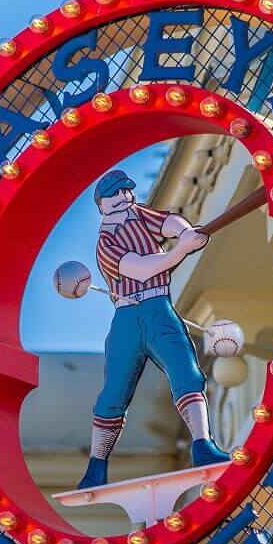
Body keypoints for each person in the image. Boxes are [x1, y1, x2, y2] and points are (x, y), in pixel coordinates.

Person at [78, 169, 230, 489]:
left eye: (125, 192)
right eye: (114, 195)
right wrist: (181, 250)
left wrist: (186, 232)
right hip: (128, 318)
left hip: (159, 307)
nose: (122, 198)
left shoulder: (137, 213)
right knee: (115, 391)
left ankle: (202, 445)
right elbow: (142, 268)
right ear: (101, 204)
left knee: (186, 370)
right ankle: (96, 466)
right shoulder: (105, 242)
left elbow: (168, 222)